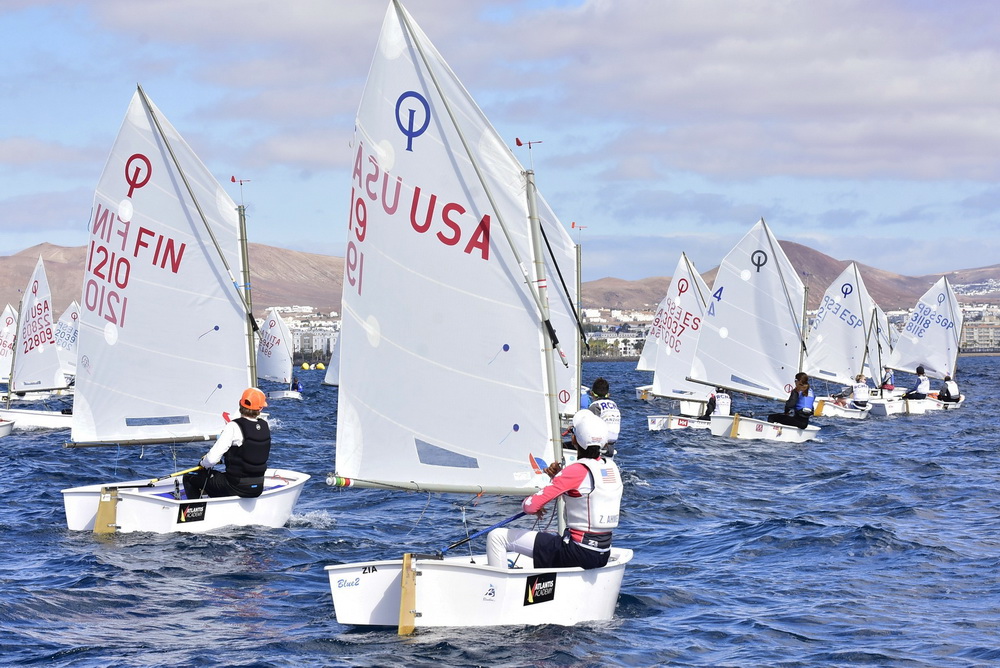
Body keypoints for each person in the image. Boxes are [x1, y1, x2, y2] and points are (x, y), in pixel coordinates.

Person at [486, 409, 622, 570]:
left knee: (496, 537)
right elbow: (585, 493)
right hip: (601, 553)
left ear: (574, 439)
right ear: (604, 443)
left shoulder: (575, 471)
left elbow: (530, 506)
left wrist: (536, 502)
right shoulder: (611, 467)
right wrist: (558, 477)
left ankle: (499, 584)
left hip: (576, 552)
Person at [183, 388, 272, 500]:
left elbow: (211, 460)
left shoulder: (233, 426)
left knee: (190, 477)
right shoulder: (265, 426)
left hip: (236, 486)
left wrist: (202, 463)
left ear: (240, 404)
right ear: (261, 408)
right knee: (218, 478)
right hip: (257, 487)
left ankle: (195, 509)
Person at [588, 377, 620, 457]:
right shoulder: (613, 404)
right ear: (608, 394)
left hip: (600, 443)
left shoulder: (595, 406)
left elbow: (589, 426)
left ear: (592, 393)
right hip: (612, 443)